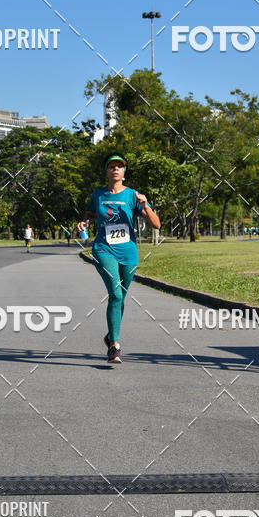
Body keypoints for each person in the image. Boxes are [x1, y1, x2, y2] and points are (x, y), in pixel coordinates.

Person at [77, 154, 160, 365]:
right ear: (107, 172)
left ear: (124, 172)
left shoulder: (133, 195)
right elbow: (89, 214)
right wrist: (84, 223)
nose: (115, 169)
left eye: (119, 167)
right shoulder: (98, 195)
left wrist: (145, 205)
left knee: (120, 298)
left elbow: (156, 225)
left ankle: (110, 334)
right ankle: (114, 345)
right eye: (112, 166)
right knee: (115, 293)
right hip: (104, 250)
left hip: (129, 253)